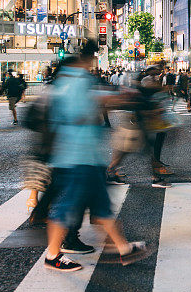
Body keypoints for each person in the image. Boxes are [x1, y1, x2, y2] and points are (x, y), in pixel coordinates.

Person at [44, 40, 149, 271]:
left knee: (101, 205)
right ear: (84, 59)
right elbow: (80, 113)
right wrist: (109, 101)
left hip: (81, 155)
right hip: (78, 155)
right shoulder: (77, 81)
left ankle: (123, 248)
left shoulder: (62, 82)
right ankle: (52, 255)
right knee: (66, 208)